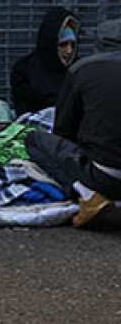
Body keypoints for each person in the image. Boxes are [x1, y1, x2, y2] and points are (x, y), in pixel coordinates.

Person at [26, 18, 121, 229]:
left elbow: (63, 131)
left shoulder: (83, 70)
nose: (68, 51)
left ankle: (87, 197)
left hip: (105, 176)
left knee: (33, 139)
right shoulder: (28, 70)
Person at [11, 7, 80, 117]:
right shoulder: (24, 70)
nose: (69, 51)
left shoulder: (78, 70)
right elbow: (24, 114)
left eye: (73, 44)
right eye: (63, 45)